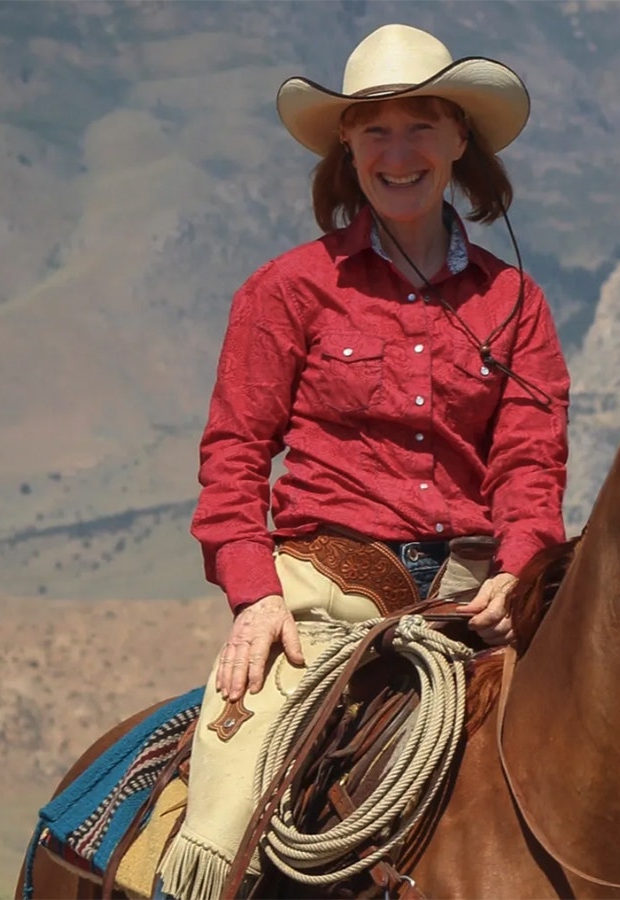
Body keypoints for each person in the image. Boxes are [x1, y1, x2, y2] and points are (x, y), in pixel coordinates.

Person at [191, 23, 571, 705]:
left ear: (460, 138)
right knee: (233, 774)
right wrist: (256, 596)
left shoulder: (515, 302)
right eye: (375, 131)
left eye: (420, 126)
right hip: (322, 593)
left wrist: (519, 573)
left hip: (474, 597)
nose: (399, 154)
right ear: (348, 144)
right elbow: (235, 453)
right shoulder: (287, 290)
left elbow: (530, 463)